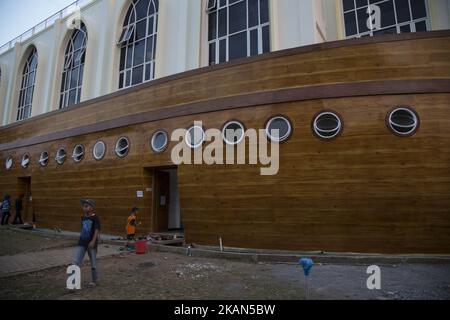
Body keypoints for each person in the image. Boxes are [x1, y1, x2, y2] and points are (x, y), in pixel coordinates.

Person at [74, 199, 101, 287]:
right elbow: (83, 229)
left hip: (91, 244)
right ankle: (73, 283)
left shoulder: (95, 217)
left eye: (86, 206)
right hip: (81, 242)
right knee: (76, 262)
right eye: (83, 206)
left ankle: (94, 280)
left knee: (93, 262)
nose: (84, 208)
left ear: (92, 208)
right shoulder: (83, 217)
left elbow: (97, 230)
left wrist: (93, 241)